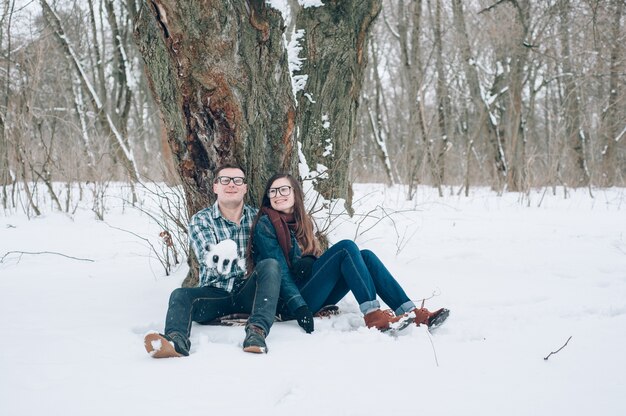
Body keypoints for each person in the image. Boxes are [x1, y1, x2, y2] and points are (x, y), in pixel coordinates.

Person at [249, 173, 449, 334]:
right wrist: (299, 307)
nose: (277, 195)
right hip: (291, 302)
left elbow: (310, 260)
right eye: (273, 191)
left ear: (295, 194)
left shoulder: (302, 222)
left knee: (366, 256)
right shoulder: (267, 224)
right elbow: (280, 271)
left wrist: (310, 260)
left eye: (283, 189)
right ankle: (373, 315)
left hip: (309, 291)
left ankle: (410, 313)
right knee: (346, 248)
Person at [144, 164, 281, 357]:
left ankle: (256, 333)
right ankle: (176, 341)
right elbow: (212, 260)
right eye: (225, 180)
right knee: (180, 295)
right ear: (215, 186)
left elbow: (269, 258)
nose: (231, 185)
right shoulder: (201, 220)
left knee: (270, 265)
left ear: (245, 188)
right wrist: (242, 263)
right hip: (215, 294)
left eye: (237, 180)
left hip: (248, 293)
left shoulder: (258, 218)